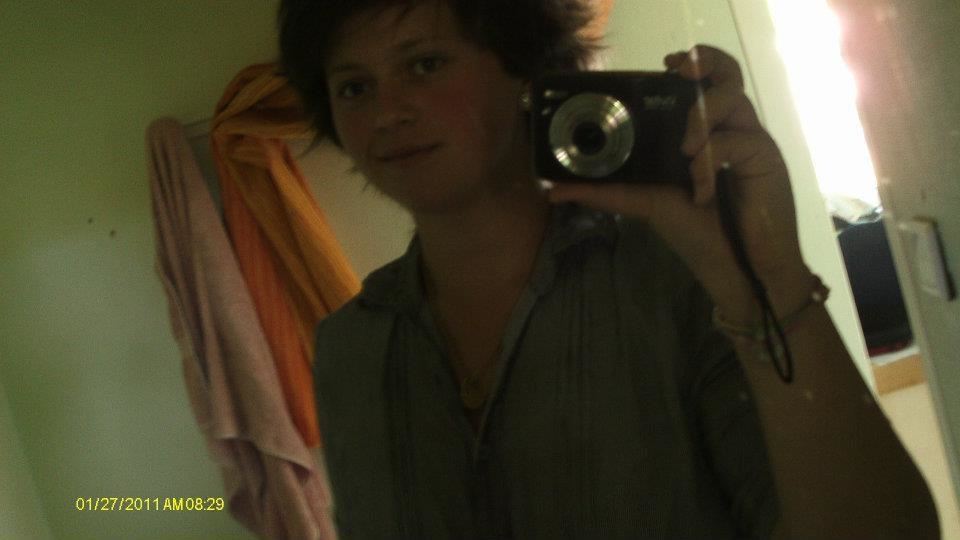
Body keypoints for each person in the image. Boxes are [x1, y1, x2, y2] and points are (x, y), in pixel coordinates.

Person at [278, 0, 940, 538]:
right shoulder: (347, 349)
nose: (386, 112)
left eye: (425, 64)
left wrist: (767, 281)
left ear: (522, 69)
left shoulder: (677, 278)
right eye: (354, 87)